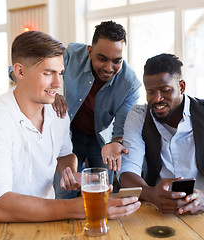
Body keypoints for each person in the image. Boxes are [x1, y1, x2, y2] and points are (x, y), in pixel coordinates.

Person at [0, 31, 140, 222]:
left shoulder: (58, 114)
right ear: (19, 72)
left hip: (46, 224)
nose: (58, 83)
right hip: (2, 229)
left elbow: (64, 155)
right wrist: (85, 207)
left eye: (60, 73)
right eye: (48, 73)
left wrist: (69, 172)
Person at [118, 53, 204, 215]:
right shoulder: (138, 116)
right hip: (157, 212)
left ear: (181, 87)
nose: (157, 99)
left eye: (165, 90)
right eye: (150, 92)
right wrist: (151, 194)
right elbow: (126, 173)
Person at [51, 21, 141, 198]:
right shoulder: (70, 55)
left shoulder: (130, 84)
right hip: (68, 134)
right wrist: (50, 92)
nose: (109, 68)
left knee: (103, 192)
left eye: (117, 61)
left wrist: (116, 143)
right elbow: (25, 71)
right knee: (63, 191)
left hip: (101, 141)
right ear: (90, 51)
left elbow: (120, 128)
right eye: (102, 59)